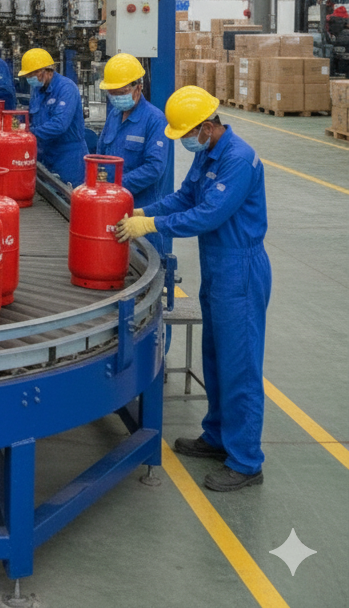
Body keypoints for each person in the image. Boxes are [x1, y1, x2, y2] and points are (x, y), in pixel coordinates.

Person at [116, 86, 270, 493]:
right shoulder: (208, 153)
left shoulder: (238, 160)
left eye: (187, 133)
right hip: (218, 265)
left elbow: (206, 215)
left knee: (240, 365)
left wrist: (151, 226)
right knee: (215, 355)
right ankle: (218, 436)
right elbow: (185, 197)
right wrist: (143, 210)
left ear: (207, 126)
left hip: (241, 267)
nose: (185, 140)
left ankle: (246, 460)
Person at [95, 53, 170, 254]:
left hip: (140, 209)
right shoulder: (114, 115)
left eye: (121, 92)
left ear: (138, 87)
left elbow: (154, 168)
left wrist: (117, 185)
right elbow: (101, 154)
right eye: (112, 93)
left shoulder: (155, 120)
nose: (116, 98)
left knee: (143, 261)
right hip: (111, 204)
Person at [20, 47, 86, 187]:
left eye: (31, 75)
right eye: (27, 76)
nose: (29, 79)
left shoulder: (66, 88)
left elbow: (59, 125)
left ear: (45, 71)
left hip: (68, 157)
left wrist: (27, 134)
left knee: (67, 196)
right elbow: (32, 114)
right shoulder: (38, 89)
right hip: (46, 153)